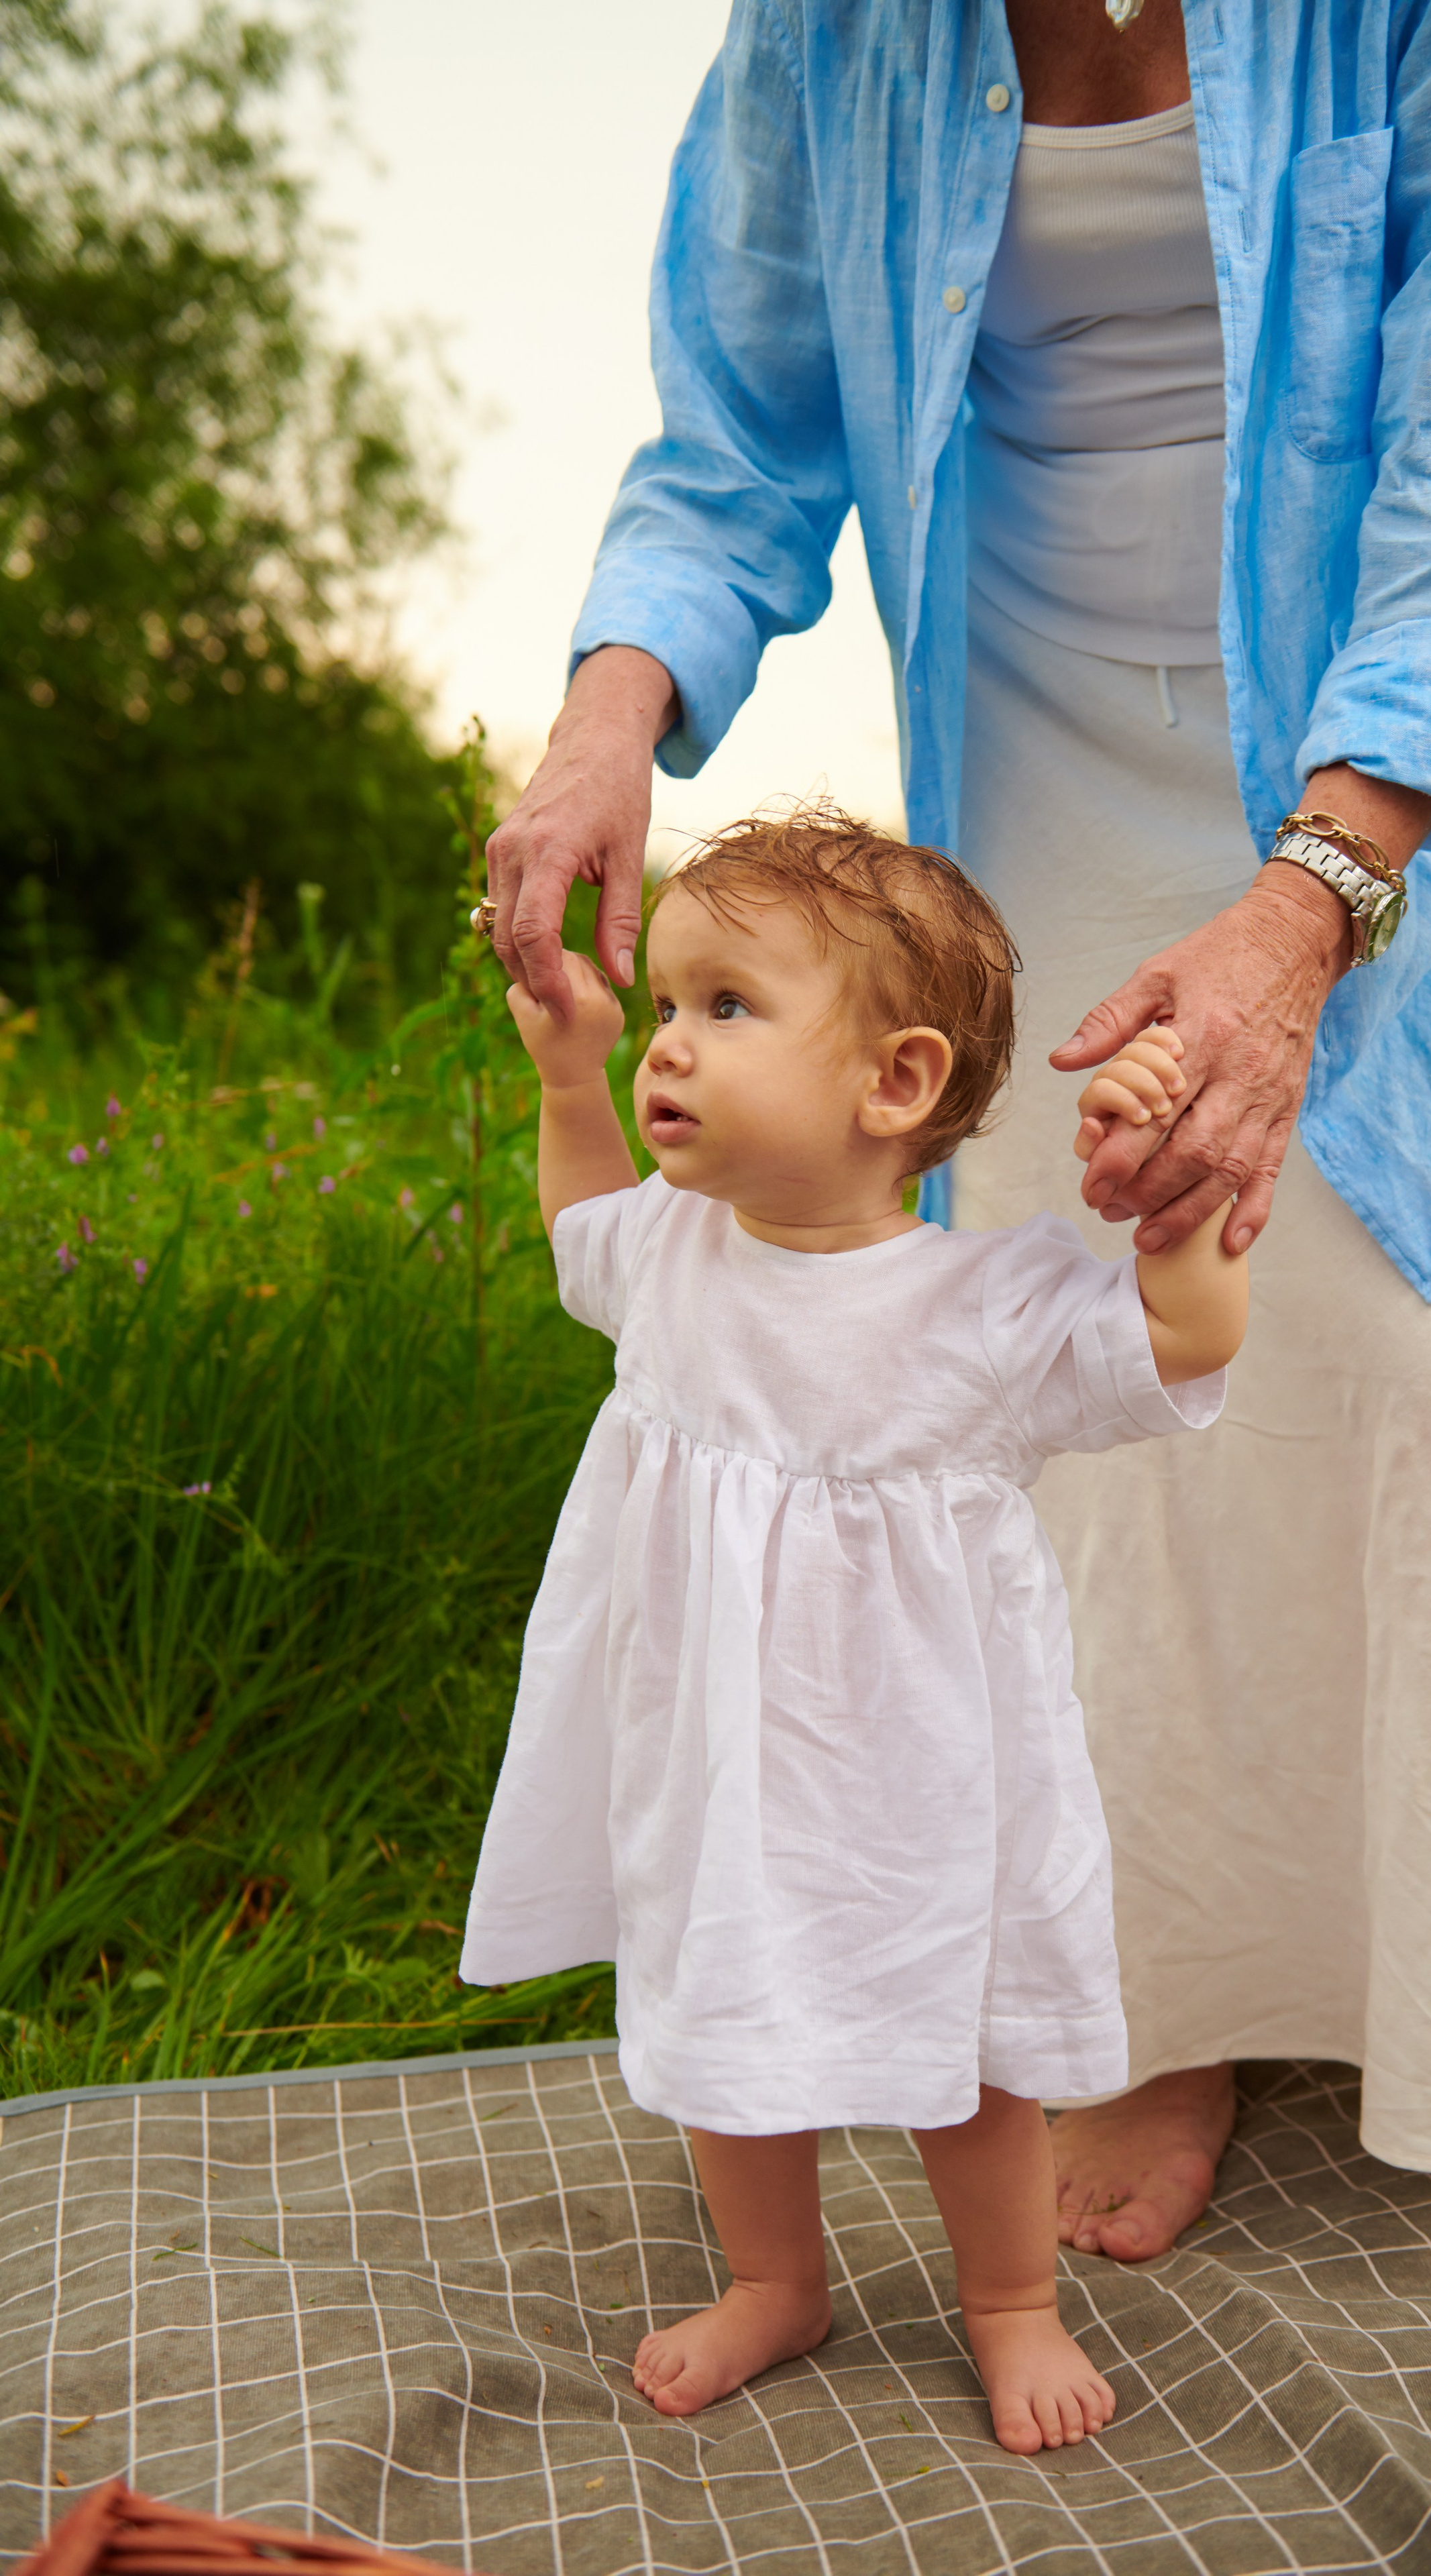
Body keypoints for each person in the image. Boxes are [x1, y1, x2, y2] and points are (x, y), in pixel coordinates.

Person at [484, 0, 1431, 2320]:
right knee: (1094, 1430)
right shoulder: (833, 34)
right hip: (1037, 768)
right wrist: (605, 719)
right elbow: (734, 437)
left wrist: (1310, 903)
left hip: (1398, 797)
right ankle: (1171, 2010)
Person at [458, 814, 1249, 2450]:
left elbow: (1176, 1350)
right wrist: (567, 1075)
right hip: (719, 1755)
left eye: (724, 1009)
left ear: (893, 1084)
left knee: (967, 2054)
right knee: (721, 2017)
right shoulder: (677, 1253)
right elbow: (574, 1234)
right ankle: (774, 2281)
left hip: (922, 1780)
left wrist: (1170, 1215)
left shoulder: (988, 1309)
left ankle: (1011, 2300)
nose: (669, 1043)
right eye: (668, 1004)